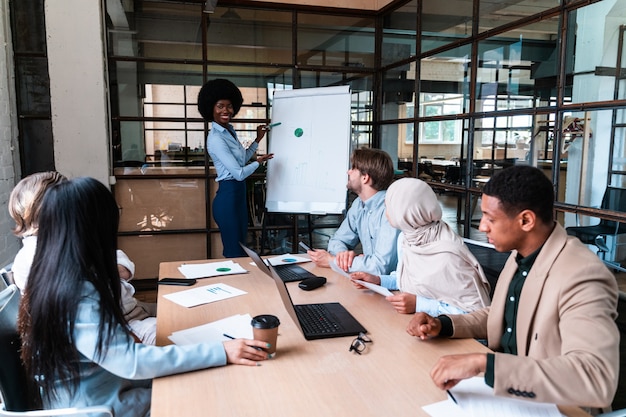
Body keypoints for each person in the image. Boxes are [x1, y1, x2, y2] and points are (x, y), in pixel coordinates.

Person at [17, 177, 269, 417]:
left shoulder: (53, 274)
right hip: (106, 405)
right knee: (220, 392)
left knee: (207, 375)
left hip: (104, 391)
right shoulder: (75, 290)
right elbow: (131, 362)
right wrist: (221, 351)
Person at [406, 165, 619, 411]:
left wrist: (486, 364)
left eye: (491, 218)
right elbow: (501, 315)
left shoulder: (583, 275)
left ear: (526, 220)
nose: (482, 226)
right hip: (508, 398)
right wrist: (443, 324)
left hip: (558, 408)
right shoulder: (520, 254)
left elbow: (596, 379)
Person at [9, 171, 158, 345]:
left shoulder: (68, 242)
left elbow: (122, 265)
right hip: (117, 326)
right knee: (179, 327)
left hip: (127, 312)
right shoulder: (37, 257)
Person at [350, 177, 490, 315]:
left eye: (390, 207)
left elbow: (478, 314)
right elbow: (406, 278)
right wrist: (378, 280)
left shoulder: (448, 254)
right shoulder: (406, 238)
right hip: (419, 324)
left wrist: (420, 304)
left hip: (452, 334)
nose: (386, 213)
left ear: (407, 211)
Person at [197, 78, 274, 258]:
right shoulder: (216, 138)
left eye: (229, 106)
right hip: (228, 198)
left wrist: (257, 140)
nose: (226, 110)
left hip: (237, 196)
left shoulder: (229, 132)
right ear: (211, 108)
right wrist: (259, 161)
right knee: (234, 252)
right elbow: (239, 174)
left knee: (242, 249)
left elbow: (242, 160)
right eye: (220, 106)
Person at [308, 148, 399, 275]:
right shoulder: (359, 204)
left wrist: (333, 261)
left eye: (353, 168)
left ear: (365, 178)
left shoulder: (391, 209)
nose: (348, 172)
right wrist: (343, 257)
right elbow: (338, 241)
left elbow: (380, 268)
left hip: (395, 289)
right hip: (369, 282)